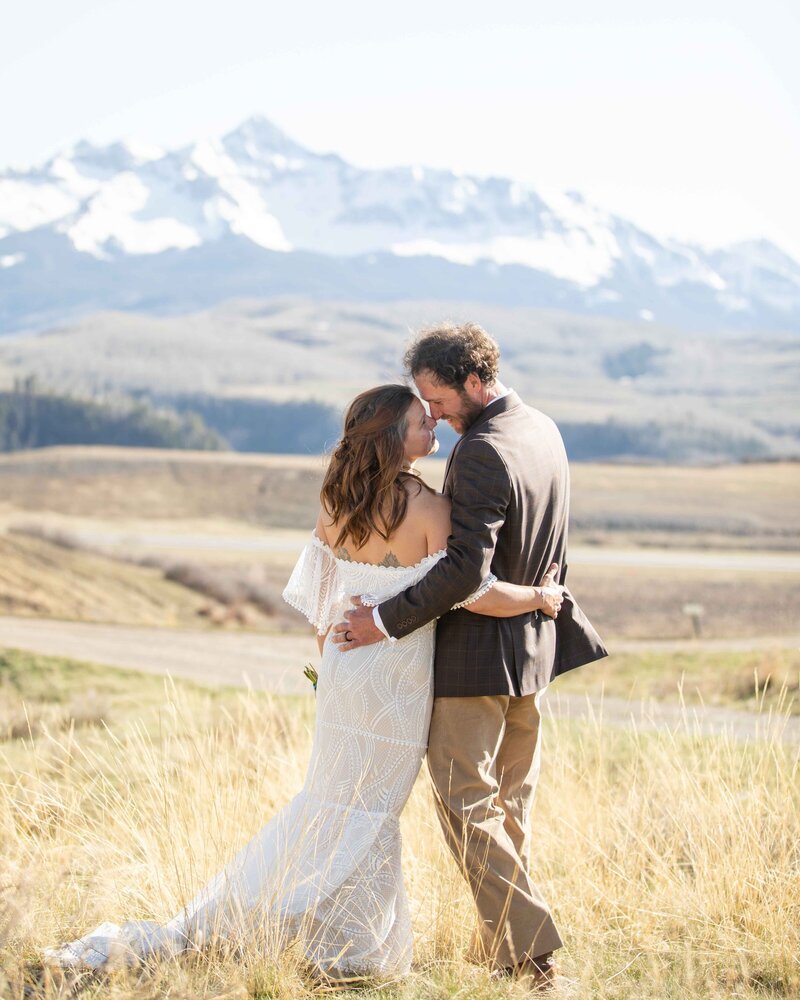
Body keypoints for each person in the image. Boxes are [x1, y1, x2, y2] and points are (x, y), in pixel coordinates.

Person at [44, 383, 565, 980]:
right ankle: (345, 945)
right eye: (424, 423)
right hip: (397, 685)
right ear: (397, 441)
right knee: (370, 810)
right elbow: (471, 590)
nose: (436, 430)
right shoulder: (428, 508)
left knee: (335, 800)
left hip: (346, 673)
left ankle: (322, 933)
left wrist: (334, 667)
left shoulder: (335, 501)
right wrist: (539, 596)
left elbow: (321, 601)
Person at [334, 325, 607, 990]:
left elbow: (463, 573)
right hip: (532, 650)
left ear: (473, 382)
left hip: (477, 660)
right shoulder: (540, 427)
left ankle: (531, 955)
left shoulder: (483, 450)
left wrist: (382, 620)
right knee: (507, 801)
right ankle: (503, 946)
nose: (433, 415)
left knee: (464, 801)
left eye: (438, 399)